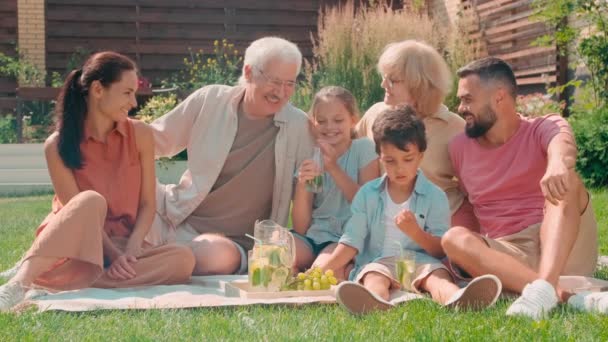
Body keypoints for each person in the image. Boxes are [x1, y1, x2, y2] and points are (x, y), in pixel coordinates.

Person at [0, 51, 195, 312]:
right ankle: (19, 284)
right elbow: (76, 210)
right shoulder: (56, 146)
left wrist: (130, 252)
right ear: (97, 89)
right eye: (126, 93)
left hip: (123, 242)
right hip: (78, 243)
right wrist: (114, 255)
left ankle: (53, 277)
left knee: (183, 260)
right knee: (90, 200)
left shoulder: (141, 134)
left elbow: (148, 203)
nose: (134, 102)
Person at [441, 57, 602, 320]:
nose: (461, 108)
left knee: (568, 182)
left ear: (499, 97)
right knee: (452, 239)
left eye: (468, 99)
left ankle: (544, 287)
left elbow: (562, 147)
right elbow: (470, 205)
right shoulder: (459, 148)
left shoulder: (544, 126)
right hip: (509, 255)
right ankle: (558, 294)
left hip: (564, 243)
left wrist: (557, 165)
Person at [145, 37, 315, 276]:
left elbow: (317, 190)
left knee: (213, 255)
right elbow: (155, 140)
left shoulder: (299, 126)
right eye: (275, 81)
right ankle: (151, 255)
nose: (281, 92)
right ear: (249, 72)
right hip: (174, 220)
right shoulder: (210, 101)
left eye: (289, 83)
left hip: (230, 245)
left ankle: (145, 258)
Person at [316, 106, 501, 315]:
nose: (399, 168)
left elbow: (440, 250)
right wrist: (322, 269)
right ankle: (374, 302)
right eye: (390, 161)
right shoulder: (367, 195)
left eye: (408, 159)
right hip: (379, 261)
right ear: (380, 158)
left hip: (420, 261)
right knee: (374, 278)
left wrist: (416, 233)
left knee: (437, 277)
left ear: (421, 156)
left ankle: (456, 299)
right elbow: (352, 240)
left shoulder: (434, 196)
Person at [355, 39, 465, 215]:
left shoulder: (455, 128)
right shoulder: (375, 114)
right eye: (384, 77)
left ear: (419, 85)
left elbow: (474, 189)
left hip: (435, 230)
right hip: (380, 226)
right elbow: (347, 150)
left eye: (393, 80)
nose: (383, 85)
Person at [291, 86, 380, 275]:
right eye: (321, 121)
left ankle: (343, 269)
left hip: (344, 238)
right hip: (313, 236)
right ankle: (300, 272)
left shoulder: (364, 149)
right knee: (273, 257)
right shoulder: (310, 155)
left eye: (338, 120)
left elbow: (367, 205)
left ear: (353, 120)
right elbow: (300, 227)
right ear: (313, 124)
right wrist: (302, 184)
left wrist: (333, 167)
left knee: (322, 269)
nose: (329, 127)